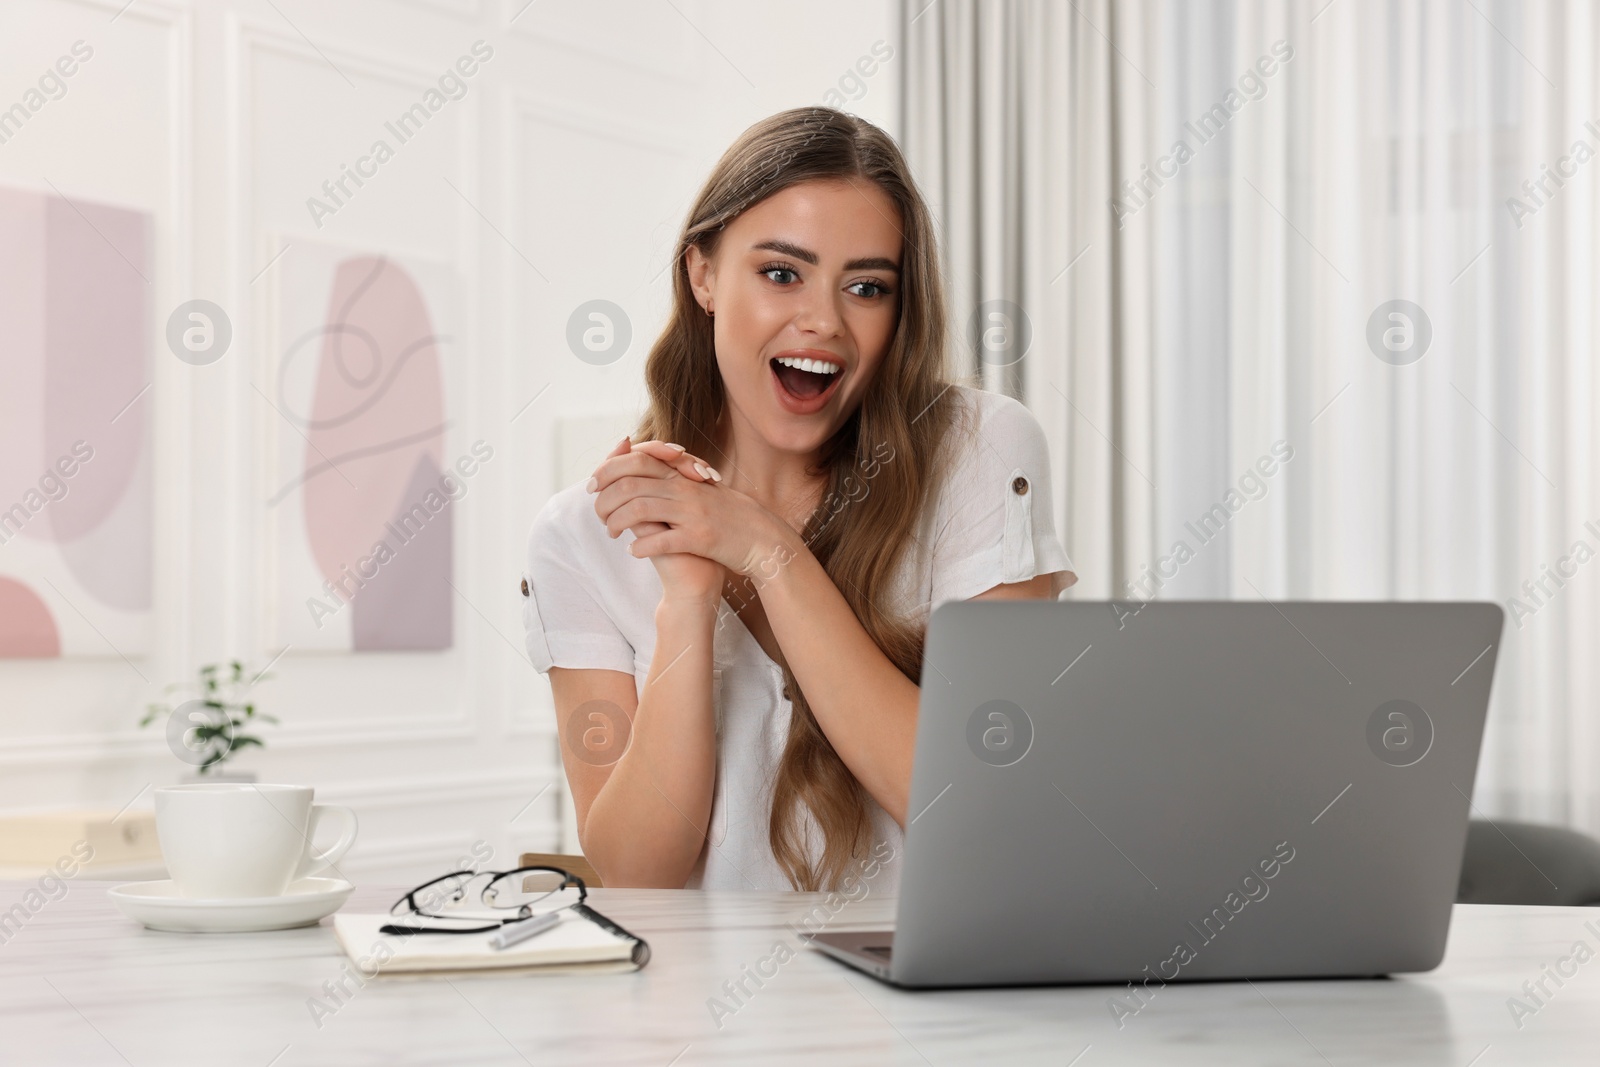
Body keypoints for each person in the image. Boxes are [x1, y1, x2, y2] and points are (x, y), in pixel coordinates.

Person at [521, 106, 1075, 893]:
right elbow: (639, 878)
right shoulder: (585, 532)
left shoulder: (979, 451)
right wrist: (686, 601)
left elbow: (980, 804)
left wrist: (769, 553)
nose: (824, 321)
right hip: (696, 1011)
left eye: (867, 287)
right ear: (703, 275)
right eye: (781, 273)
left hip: (928, 1004)